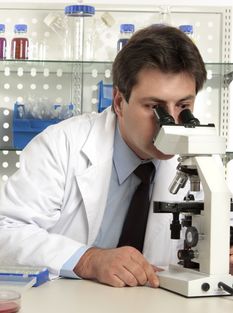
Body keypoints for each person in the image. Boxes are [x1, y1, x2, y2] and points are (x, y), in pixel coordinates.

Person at [0, 24, 229, 288]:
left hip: (155, 312)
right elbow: (6, 231)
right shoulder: (61, 145)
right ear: (119, 102)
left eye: (183, 107)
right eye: (155, 107)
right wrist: (88, 259)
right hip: (64, 310)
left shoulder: (195, 161)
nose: (171, 124)